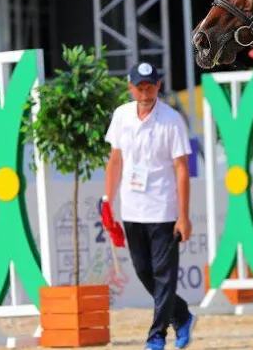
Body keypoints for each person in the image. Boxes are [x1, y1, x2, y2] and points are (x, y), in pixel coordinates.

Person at [101, 62, 196, 350]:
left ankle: (156, 336)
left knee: (163, 276)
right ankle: (182, 315)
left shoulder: (172, 120)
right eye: (140, 88)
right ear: (130, 88)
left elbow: (182, 168)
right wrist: (108, 201)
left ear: (158, 85)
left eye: (150, 87)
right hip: (132, 208)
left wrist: (183, 215)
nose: (145, 93)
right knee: (144, 272)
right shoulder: (121, 116)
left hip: (164, 209)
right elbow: (115, 160)